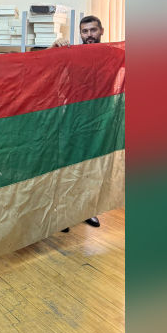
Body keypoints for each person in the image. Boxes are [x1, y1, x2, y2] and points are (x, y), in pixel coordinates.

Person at [52, 15, 105, 230]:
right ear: (80, 34)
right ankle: (63, 215)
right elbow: (45, 63)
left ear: (101, 31)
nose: (89, 35)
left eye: (93, 30)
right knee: (67, 166)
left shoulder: (110, 54)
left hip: (100, 119)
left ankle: (86, 211)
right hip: (73, 118)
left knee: (91, 167)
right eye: (85, 31)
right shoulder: (73, 54)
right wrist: (55, 46)